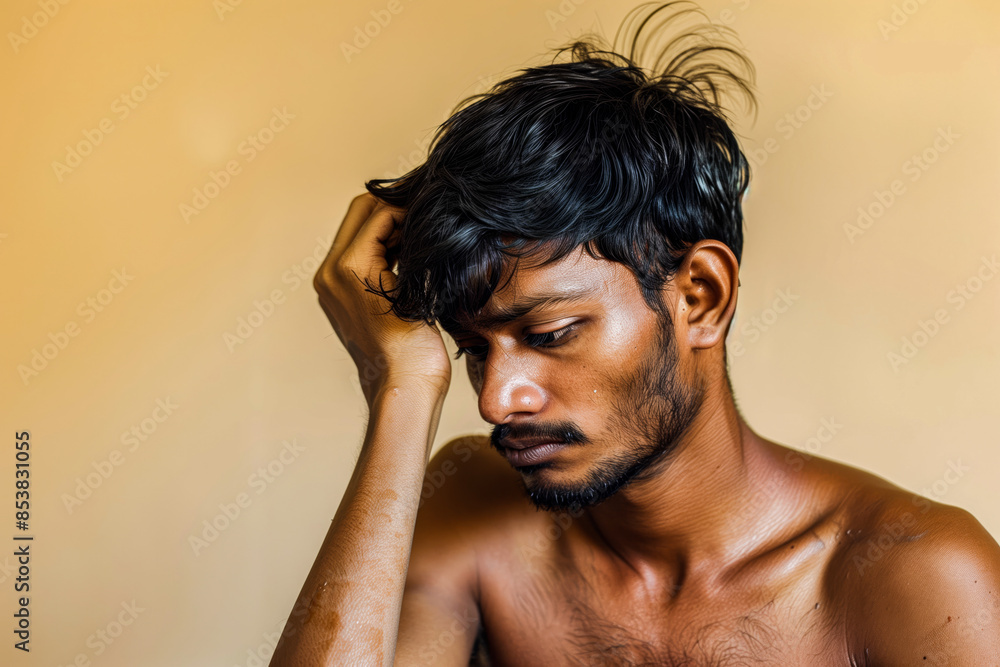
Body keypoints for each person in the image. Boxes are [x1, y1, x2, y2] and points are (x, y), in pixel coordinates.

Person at [270, 3, 1000, 664]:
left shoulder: (917, 577)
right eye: (472, 349)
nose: (496, 399)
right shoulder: (476, 520)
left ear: (701, 297)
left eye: (550, 333)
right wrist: (398, 388)